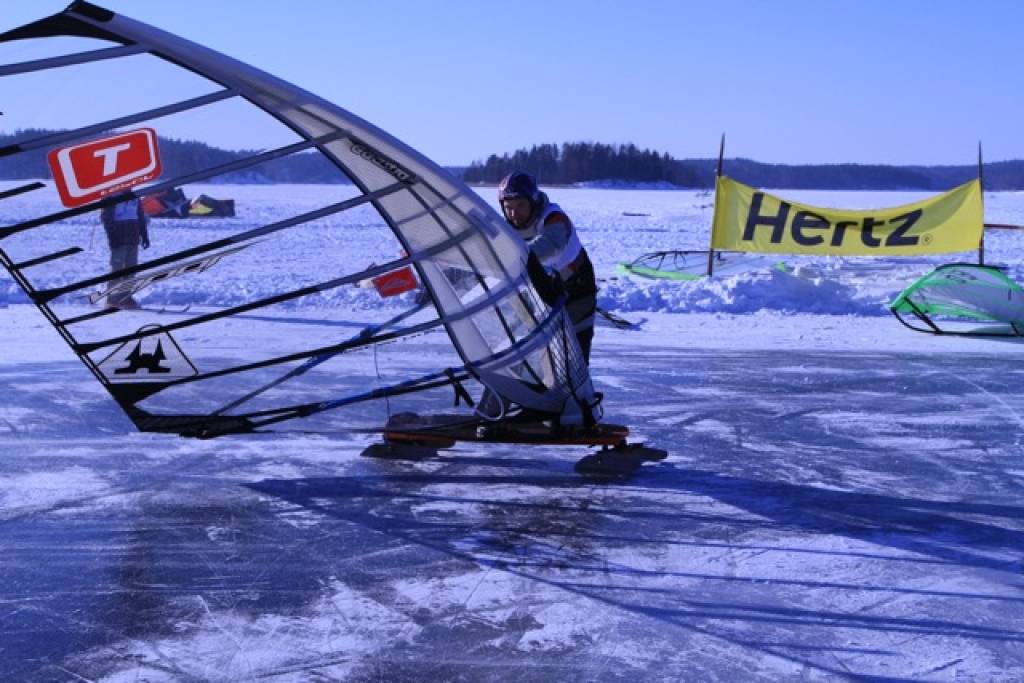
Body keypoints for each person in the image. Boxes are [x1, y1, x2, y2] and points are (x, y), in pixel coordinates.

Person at [498, 172, 597, 363]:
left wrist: (508, 255)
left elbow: (549, 245)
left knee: (575, 353)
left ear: (533, 202)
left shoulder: (554, 218)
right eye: (508, 207)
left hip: (576, 287)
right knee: (532, 350)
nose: (513, 214)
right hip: (536, 289)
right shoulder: (505, 226)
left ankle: (575, 392)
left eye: (520, 206)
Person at [100, 197, 150, 309]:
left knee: (131, 270)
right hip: (119, 240)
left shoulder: (135, 198)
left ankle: (126, 297)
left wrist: (144, 235)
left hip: (133, 240)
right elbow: (106, 218)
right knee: (117, 270)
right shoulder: (111, 197)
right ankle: (112, 299)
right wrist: (112, 237)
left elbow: (140, 217)